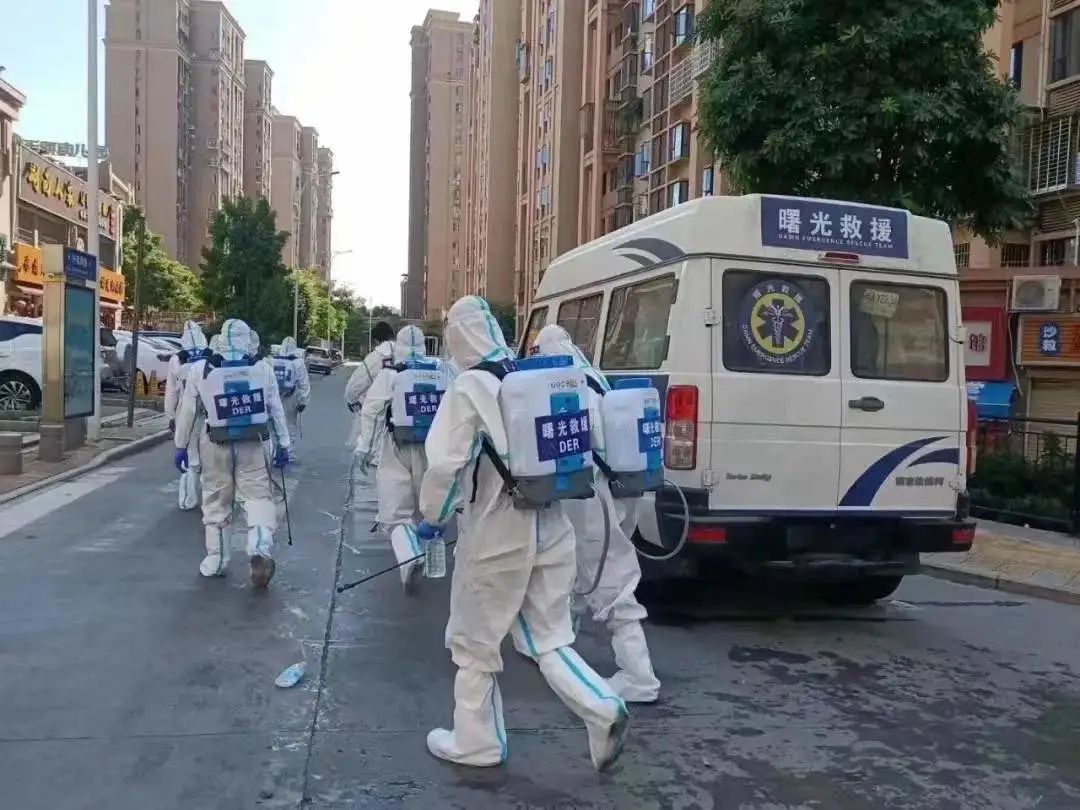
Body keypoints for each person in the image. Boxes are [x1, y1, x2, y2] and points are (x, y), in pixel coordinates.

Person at [416, 295, 629, 771]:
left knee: (473, 642)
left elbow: (445, 466)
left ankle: (476, 742)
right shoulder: (534, 375)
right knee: (548, 638)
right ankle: (602, 707)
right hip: (551, 521)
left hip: (497, 533)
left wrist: (433, 518)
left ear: (457, 338)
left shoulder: (469, 386)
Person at [529, 325, 661, 704]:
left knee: (610, 582)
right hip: (615, 494)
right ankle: (556, 647)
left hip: (590, 497)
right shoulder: (596, 378)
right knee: (574, 571)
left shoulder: (566, 386)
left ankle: (639, 676)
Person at [173, 319, 291, 587]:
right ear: (247, 340)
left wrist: (181, 446)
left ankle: (216, 560)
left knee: (216, 501)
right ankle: (259, 548)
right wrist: (284, 444)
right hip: (254, 442)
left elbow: (187, 411)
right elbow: (276, 409)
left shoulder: (201, 370)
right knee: (258, 498)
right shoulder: (262, 369)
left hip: (215, 443)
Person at [355, 324, 434, 592]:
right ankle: (427, 556)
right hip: (432, 449)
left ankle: (411, 557)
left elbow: (372, 411)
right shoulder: (442, 372)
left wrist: (365, 449)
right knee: (427, 510)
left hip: (396, 447)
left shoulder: (391, 375)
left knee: (396, 515)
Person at [164, 321, 210, 511]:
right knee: (209, 457)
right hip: (209, 414)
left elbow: (171, 392)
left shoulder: (177, 359)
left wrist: (170, 415)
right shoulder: (211, 356)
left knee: (191, 458)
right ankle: (210, 500)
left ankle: (190, 500)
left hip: (186, 411)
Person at [344, 321, 397, 446]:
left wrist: (351, 401)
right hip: (403, 419)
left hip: (376, 415)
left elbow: (355, 385)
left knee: (368, 449)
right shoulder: (407, 355)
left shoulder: (375, 358)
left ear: (376, 341)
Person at [273, 336, 311, 453]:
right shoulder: (298, 362)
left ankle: (275, 452)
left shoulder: (273, 361)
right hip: (291, 396)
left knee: (275, 424)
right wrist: (304, 401)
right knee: (290, 424)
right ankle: (289, 453)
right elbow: (304, 383)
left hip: (275, 397)